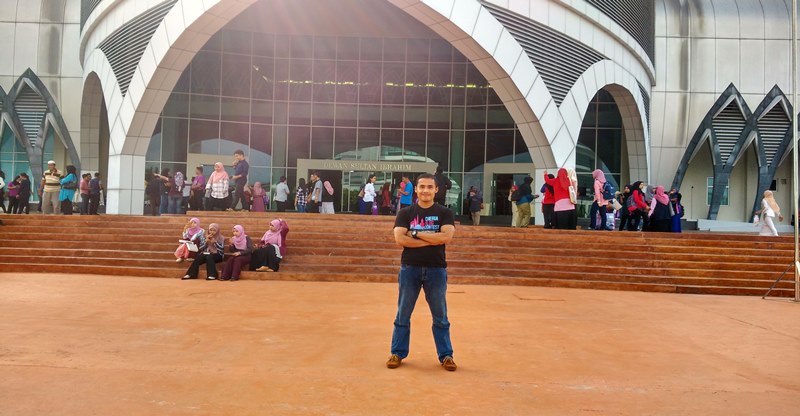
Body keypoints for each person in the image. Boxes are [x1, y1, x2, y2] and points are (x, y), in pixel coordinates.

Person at [387, 174, 457, 372]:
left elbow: (446, 237)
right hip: (410, 268)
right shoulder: (405, 213)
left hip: (436, 270)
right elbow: (400, 240)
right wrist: (432, 239)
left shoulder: (445, 212)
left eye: (429, 187)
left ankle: (446, 356)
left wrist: (416, 233)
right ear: (416, 190)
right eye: (422, 187)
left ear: (436, 190)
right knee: (403, 314)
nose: (425, 190)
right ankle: (397, 353)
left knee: (440, 316)